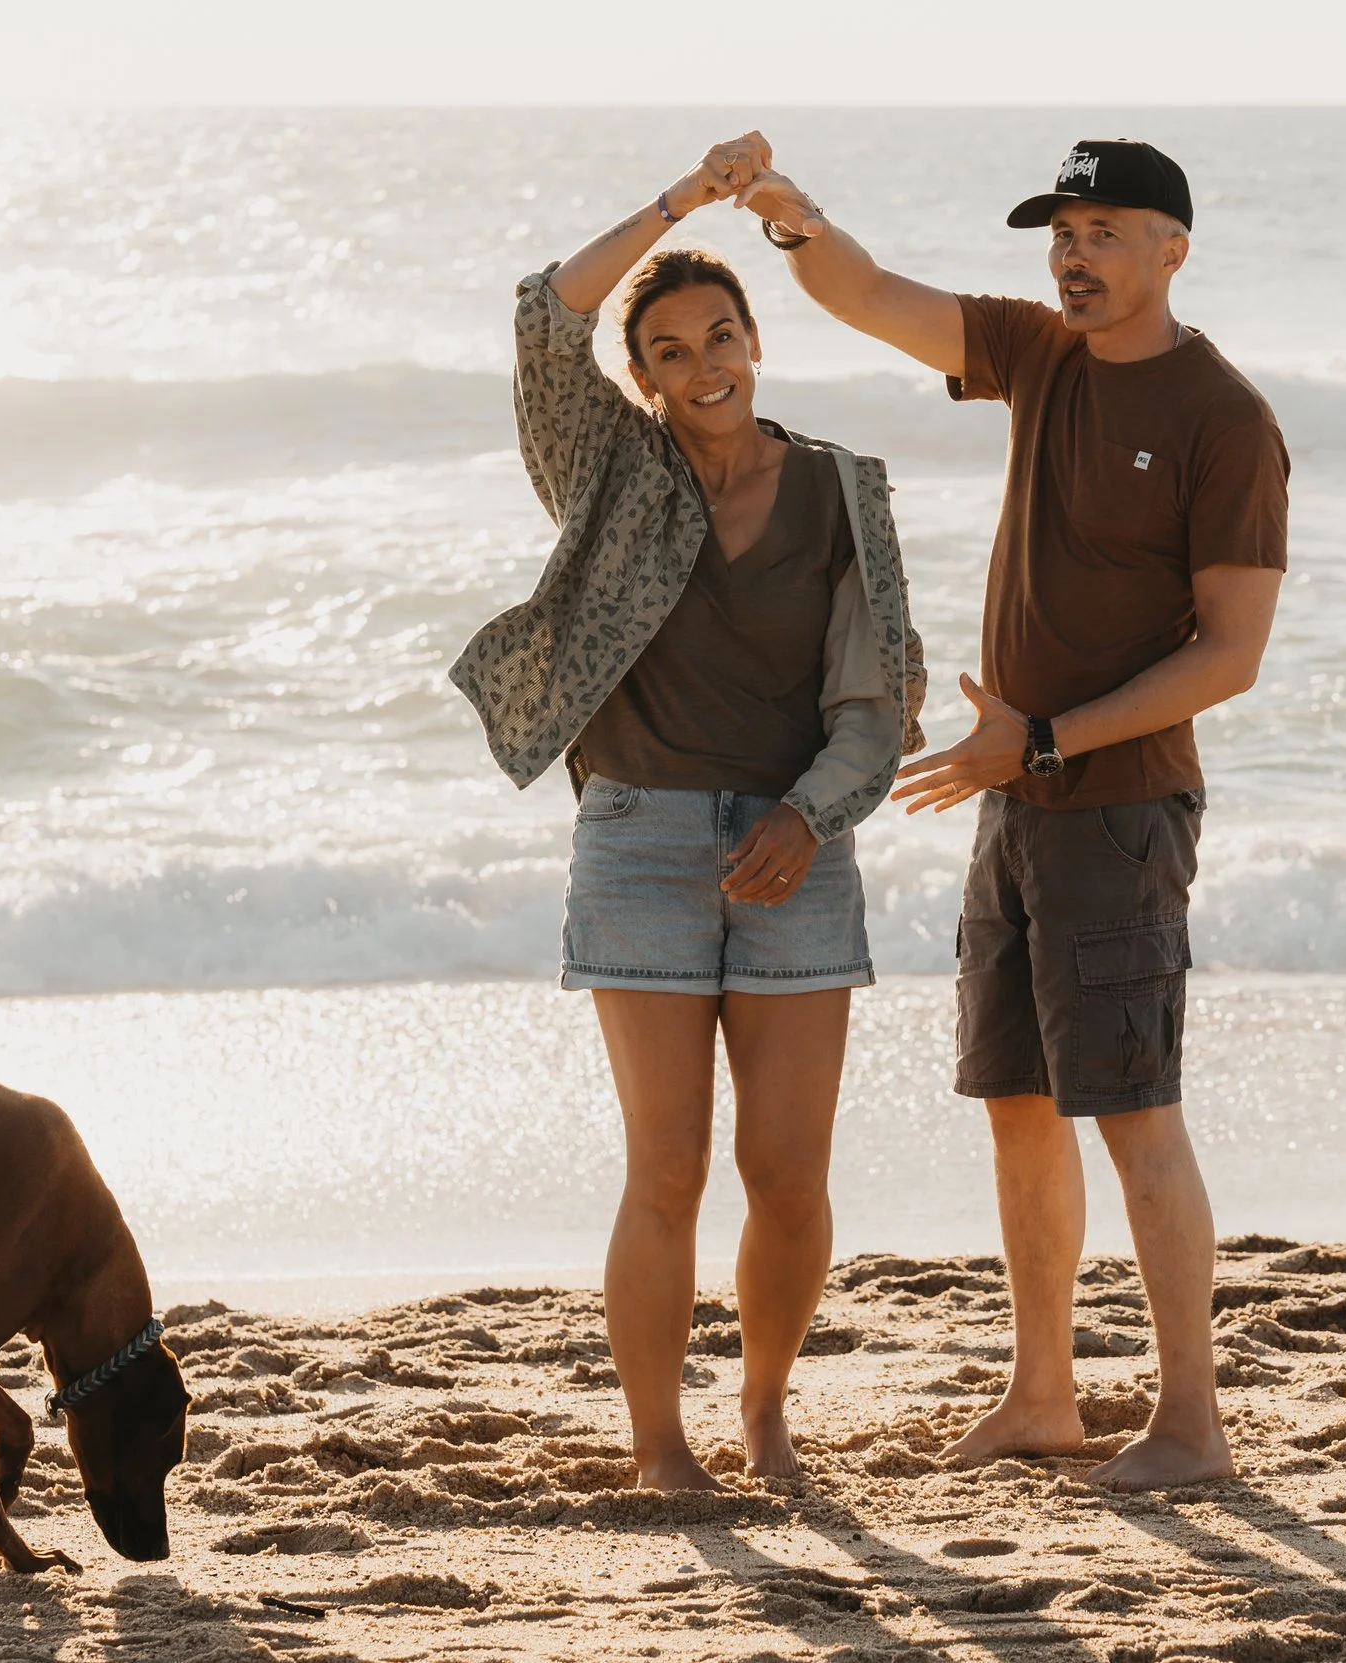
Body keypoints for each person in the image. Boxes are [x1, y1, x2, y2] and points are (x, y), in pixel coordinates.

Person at [744, 137, 1288, 1489]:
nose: (1076, 253)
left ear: (1174, 247)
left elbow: (1229, 656)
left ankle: (1191, 1424)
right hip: (1016, 797)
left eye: (1108, 230)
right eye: (1064, 230)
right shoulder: (1036, 354)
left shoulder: (1225, 415)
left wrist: (1038, 740)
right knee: (1021, 1104)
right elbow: (872, 296)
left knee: (1136, 1110)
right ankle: (1042, 1394)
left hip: (1116, 808)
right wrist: (791, 218)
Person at [450, 135, 925, 1489]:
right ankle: (661, 1446)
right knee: (666, 1169)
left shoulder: (846, 490)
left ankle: (766, 1412)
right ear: (644, 376)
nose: (704, 363)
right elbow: (549, 314)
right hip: (642, 845)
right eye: (670, 349)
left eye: (723, 335)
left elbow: (876, 701)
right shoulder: (605, 471)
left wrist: (812, 815)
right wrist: (679, 203)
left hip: (798, 851)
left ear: (757, 340)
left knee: (786, 1171)